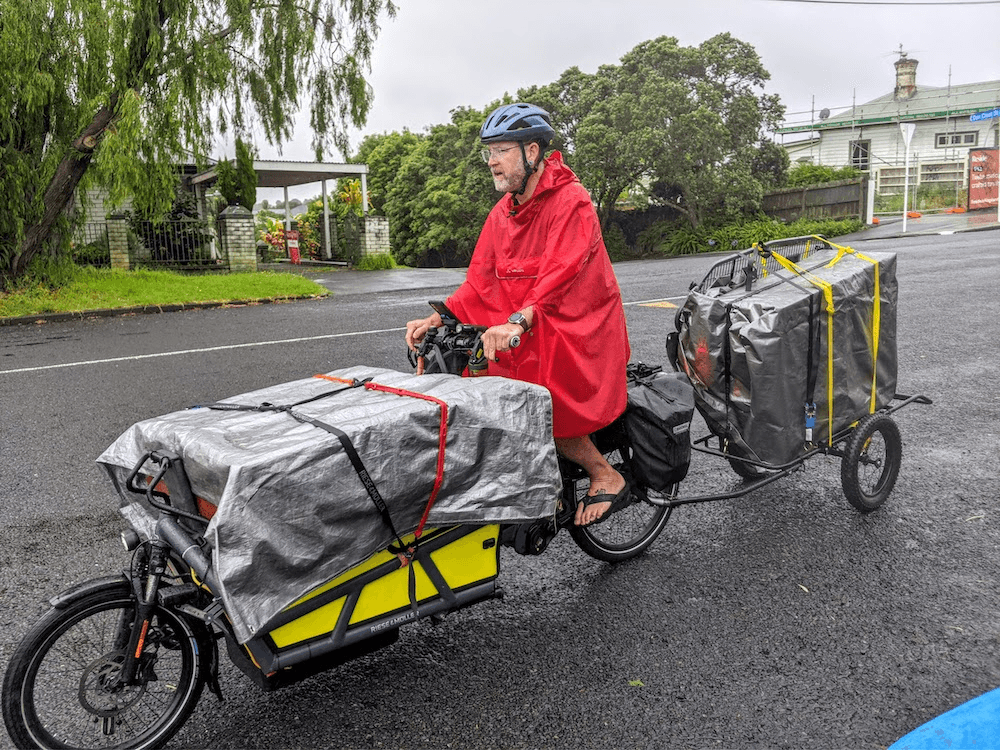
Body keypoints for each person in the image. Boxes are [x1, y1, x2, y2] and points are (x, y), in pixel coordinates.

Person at [405, 102, 631, 526]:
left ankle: (605, 473)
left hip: (578, 324)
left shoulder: (573, 201)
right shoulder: (501, 214)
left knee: (539, 394)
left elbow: (560, 275)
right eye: (488, 151)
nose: (491, 161)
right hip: (530, 319)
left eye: (501, 150)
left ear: (532, 152)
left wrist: (519, 320)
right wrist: (442, 317)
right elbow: (480, 283)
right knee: (477, 377)